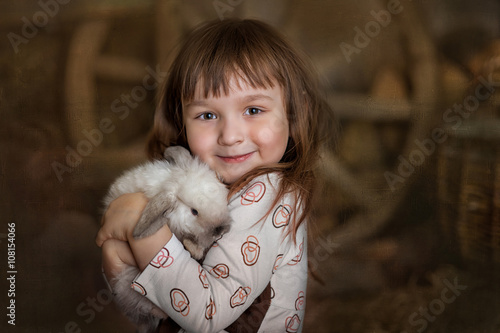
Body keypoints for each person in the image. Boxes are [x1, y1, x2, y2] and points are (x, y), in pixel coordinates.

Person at [96, 18, 331, 332]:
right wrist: (124, 256)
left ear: (293, 110)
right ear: (182, 120)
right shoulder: (205, 186)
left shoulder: (267, 193)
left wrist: (141, 226)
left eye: (253, 110)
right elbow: (158, 307)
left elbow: (208, 314)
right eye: (207, 115)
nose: (230, 136)